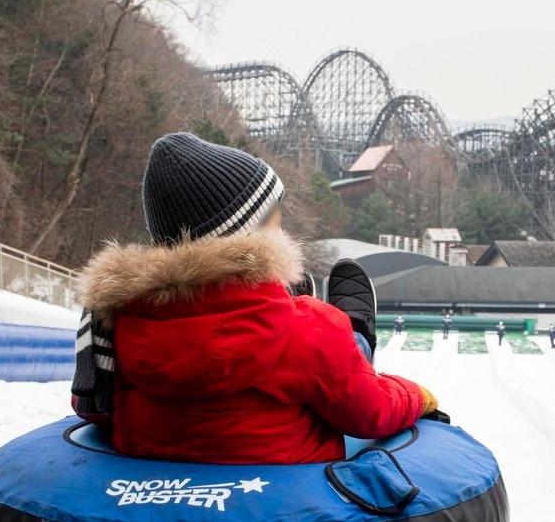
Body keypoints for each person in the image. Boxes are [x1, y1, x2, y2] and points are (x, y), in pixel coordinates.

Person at [71, 132, 436, 465]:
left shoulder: (116, 324)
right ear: (253, 235)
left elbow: (92, 406)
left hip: (156, 503)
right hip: (289, 505)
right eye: (275, 221)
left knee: (320, 345)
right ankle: (358, 334)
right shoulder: (306, 328)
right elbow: (369, 412)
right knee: (338, 345)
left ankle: (343, 334)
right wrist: (418, 395)